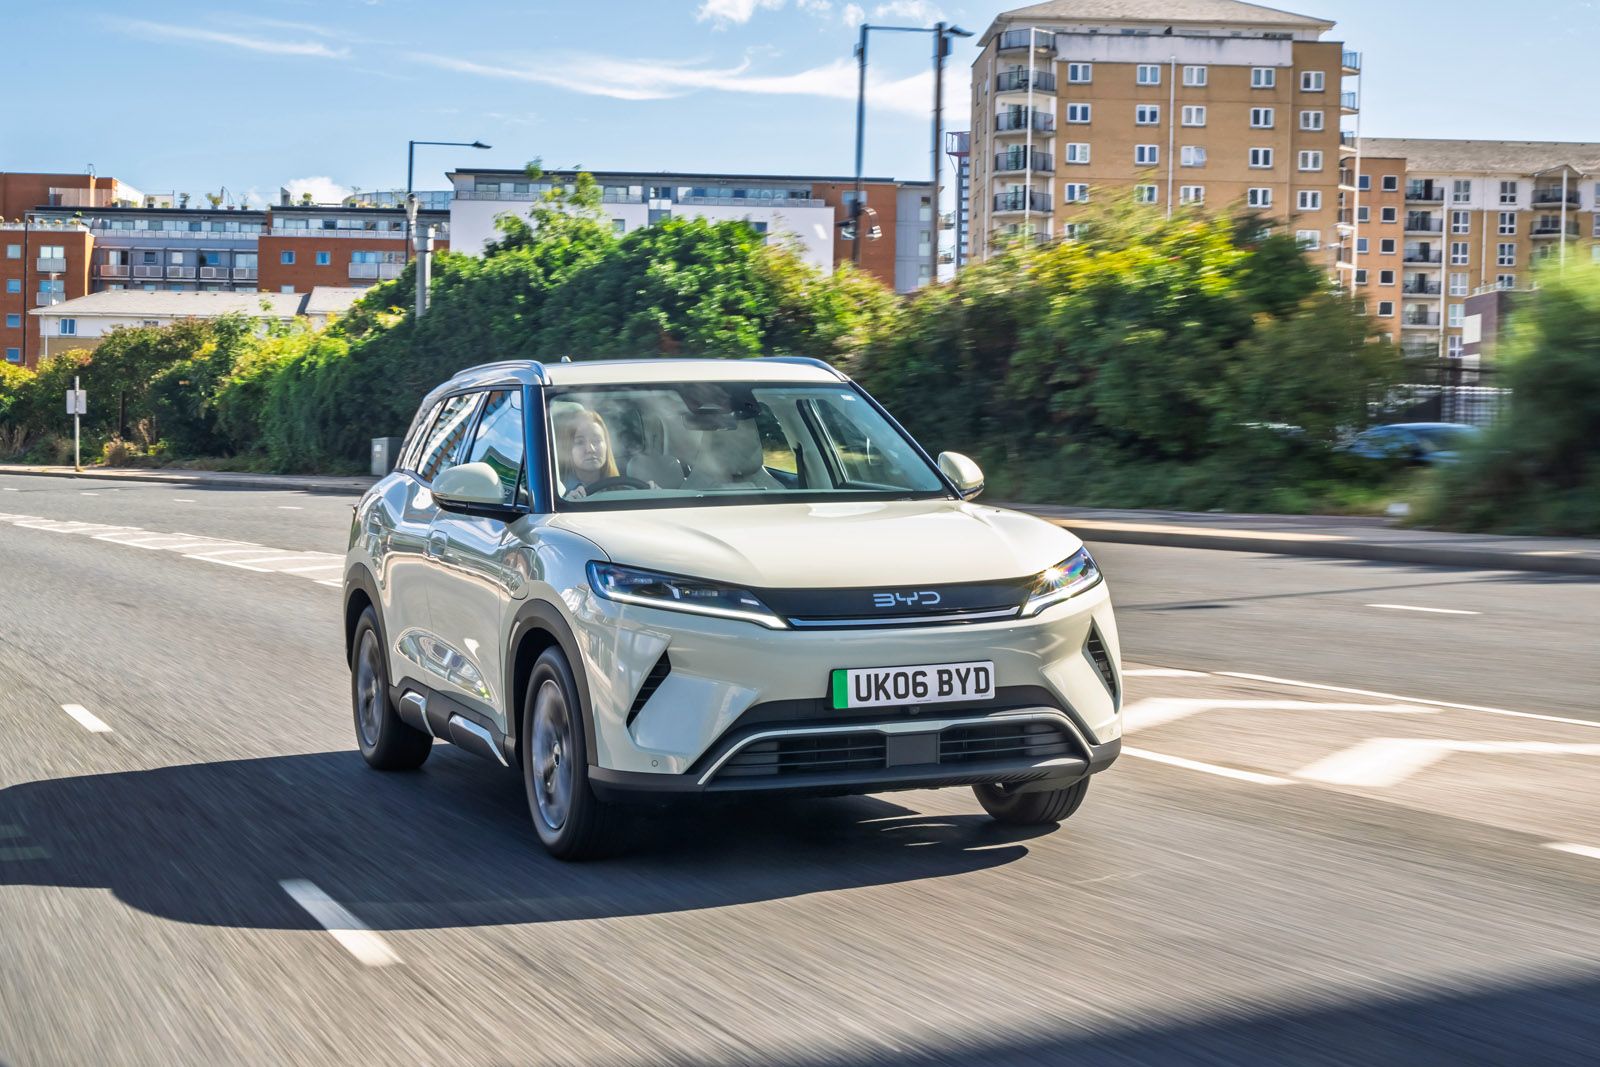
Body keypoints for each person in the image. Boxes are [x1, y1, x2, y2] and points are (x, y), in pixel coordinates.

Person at [556, 409, 620, 499]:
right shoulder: (557, 495)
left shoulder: (623, 488)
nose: (590, 449)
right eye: (580, 442)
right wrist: (568, 504)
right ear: (568, 449)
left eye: (597, 440)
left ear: (607, 445)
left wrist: (646, 492)